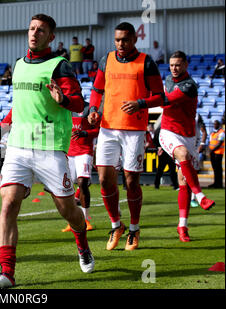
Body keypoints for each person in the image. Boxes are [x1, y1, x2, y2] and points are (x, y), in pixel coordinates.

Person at [0, 14, 94, 289]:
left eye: (41, 30)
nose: (35, 33)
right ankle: (7, 273)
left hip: (50, 148)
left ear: (51, 37)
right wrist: (0, 130)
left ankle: (82, 242)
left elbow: (80, 104)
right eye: (32, 28)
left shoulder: (60, 66)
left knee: (67, 210)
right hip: (19, 146)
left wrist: (63, 99)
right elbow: (19, 106)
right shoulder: (19, 65)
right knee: (9, 203)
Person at [88, 22, 166, 251]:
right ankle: (116, 225)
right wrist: (93, 110)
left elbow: (160, 97)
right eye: (117, 40)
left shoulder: (146, 62)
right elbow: (96, 90)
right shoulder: (107, 59)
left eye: (125, 40)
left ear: (134, 40)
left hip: (134, 129)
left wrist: (141, 103)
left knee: (131, 181)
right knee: (103, 179)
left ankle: (134, 228)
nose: (121, 44)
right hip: (108, 127)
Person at [159, 50, 216, 242]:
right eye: (172, 65)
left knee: (184, 183)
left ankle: (182, 226)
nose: (174, 68)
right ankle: (200, 197)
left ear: (185, 65)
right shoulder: (167, 80)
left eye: (177, 65)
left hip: (189, 136)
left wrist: (143, 103)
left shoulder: (189, 85)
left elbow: (167, 102)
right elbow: (165, 104)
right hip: (168, 132)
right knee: (182, 155)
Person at [61, 104, 100, 233]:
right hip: (69, 152)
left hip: (84, 152)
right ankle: (72, 221)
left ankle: (85, 219)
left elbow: (98, 130)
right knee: (69, 187)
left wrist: (84, 133)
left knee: (82, 183)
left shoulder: (90, 110)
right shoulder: (65, 108)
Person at [208, 120, 224, 188]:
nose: (215, 125)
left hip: (218, 153)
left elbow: (220, 143)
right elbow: (210, 142)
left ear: (219, 125)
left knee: (218, 168)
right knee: (215, 168)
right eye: (214, 124)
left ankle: (219, 184)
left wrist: (212, 150)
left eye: (216, 124)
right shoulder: (213, 133)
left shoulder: (222, 132)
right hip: (213, 153)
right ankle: (215, 183)